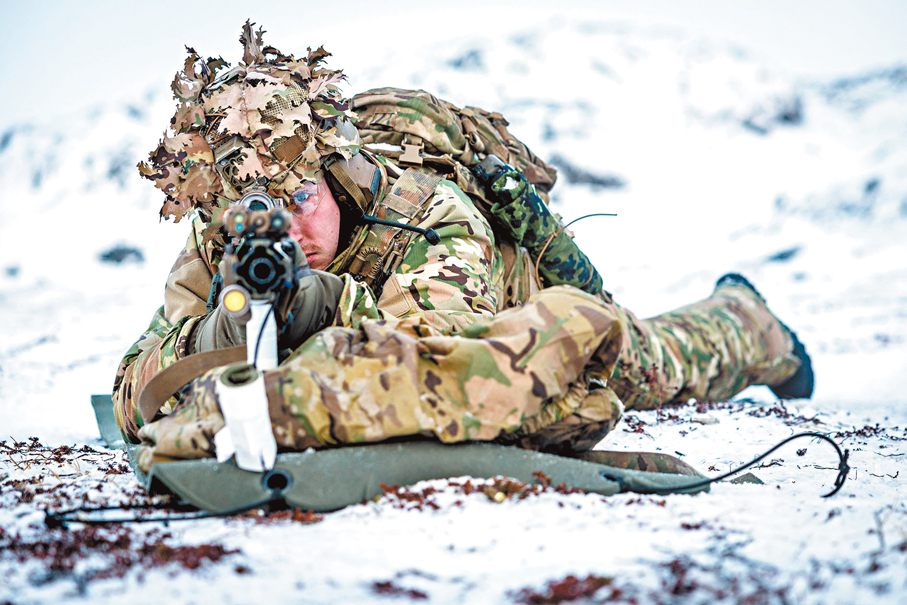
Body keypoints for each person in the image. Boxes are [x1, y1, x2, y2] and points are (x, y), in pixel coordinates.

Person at [114, 24, 813, 473]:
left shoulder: (426, 215)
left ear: (334, 174)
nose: (286, 236)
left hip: (516, 308)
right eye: (252, 216)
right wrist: (220, 331)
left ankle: (749, 320)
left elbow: (438, 360)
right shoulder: (221, 242)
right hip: (390, 345)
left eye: (300, 202)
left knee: (657, 367)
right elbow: (130, 394)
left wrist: (319, 303)